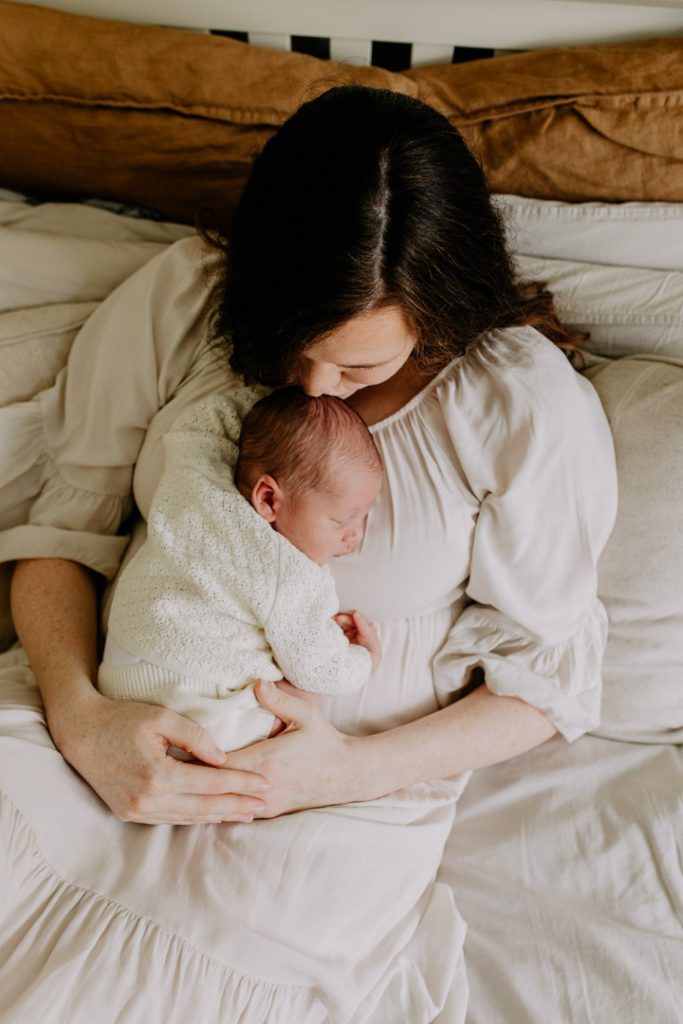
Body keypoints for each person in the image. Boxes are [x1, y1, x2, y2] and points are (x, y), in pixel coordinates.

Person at [4, 84, 617, 1020]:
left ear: (438, 312)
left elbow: (550, 678)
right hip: (98, 711)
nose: (312, 385)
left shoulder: (516, 405)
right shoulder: (184, 297)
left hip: (336, 793)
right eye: (293, 344)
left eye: (358, 367)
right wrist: (82, 715)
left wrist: (340, 772)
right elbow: (63, 537)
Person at [98, 387, 382, 751]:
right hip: (197, 705)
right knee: (295, 706)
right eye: (342, 520)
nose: (354, 536)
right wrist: (363, 661)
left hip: (119, 673)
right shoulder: (290, 573)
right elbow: (318, 666)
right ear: (267, 499)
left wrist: (270, 414)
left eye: (364, 518)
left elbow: (201, 424)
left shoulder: (196, 479)